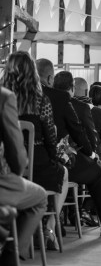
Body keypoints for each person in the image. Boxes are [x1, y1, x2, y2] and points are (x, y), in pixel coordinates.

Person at [36, 58, 101, 237]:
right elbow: (78, 132)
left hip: (26, 162)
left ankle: (56, 222)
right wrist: (91, 154)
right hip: (55, 162)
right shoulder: (60, 98)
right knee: (97, 171)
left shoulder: (18, 96)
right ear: (50, 79)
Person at [3, 52, 67, 250]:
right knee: (63, 173)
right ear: (33, 73)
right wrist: (57, 158)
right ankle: (48, 228)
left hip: (6, 166)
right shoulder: (41, 100)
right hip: (37, 165)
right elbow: (50, 139)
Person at [0, 86, 47, 264]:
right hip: (4, 181)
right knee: (40, 196)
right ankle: (11, 256)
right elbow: (17, 157)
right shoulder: (4, 97)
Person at [74, 77, 101, 161]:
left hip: (71, 158)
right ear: (87, 91)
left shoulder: (66, 107)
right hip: (95, 160)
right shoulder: (98, 112)